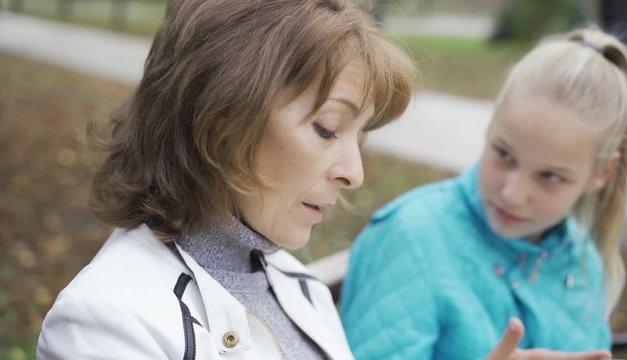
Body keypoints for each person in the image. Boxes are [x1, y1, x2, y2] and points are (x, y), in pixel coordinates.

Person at [36, 0, 417, 358]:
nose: (354, 173)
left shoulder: (298, 284)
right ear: (222, 121)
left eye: (361, 136)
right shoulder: (108, 321)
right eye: (328, 128)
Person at [341, 28, 627, 360]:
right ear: (491, 124)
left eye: (550, 176)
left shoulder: (582, 260)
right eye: (504, 154)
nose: (512, 193)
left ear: (602, 173)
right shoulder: (411, 238)